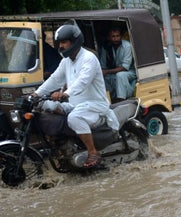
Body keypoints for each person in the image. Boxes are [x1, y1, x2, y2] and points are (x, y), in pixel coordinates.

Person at [33, 24, 119, 168]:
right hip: (75, 105)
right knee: (45, 105)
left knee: (74, 118)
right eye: (59, 43)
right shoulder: (66, 61)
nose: (61, 46)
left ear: (75, 41)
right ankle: (60, 147)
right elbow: (54, 79)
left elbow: (82, 82)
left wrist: (65, 93)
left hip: (95, 106)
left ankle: (93, 152)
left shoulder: (88, 58)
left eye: (64, 42)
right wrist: (36, 94)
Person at [99, 26, 136, 101]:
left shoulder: (127, 46)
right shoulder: (106, 48)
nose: (116, 38)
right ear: (109, 37)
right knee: (102, 78)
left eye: (117, 36)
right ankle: (110, 99)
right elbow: (103, 66)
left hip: (129, 72)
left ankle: (121, 99)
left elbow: (125, 67)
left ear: (121, 36)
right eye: (113, 36)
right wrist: (103, 72)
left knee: (120, 75)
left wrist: (107, 71)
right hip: (114, 71)